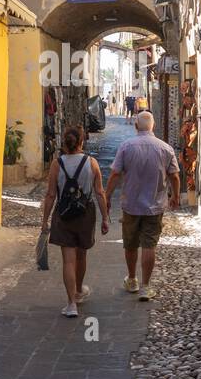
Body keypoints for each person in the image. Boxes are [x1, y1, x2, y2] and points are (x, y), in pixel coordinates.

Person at [105, 111, 181, 301]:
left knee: (130, 243)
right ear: (153, 126)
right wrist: (176, 196)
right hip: (155, 205)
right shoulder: (165, 148)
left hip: (131, 204)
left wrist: (106, 197)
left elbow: (115, 174)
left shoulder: (126, 147)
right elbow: (175, 175)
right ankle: (146, 286)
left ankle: (132, 280)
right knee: (149, 244)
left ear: (136, 126)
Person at [39, 126, 110, 318]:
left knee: (68, 260)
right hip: (85, 213)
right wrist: (105, 218)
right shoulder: (91, 163)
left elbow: (51, 194)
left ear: (65, 143)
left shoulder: (56, 164)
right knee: (81, 256)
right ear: (81, 142)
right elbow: (100, 193)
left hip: (63, 213)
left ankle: (71, 304)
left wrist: (45, 220)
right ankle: (78, 290)